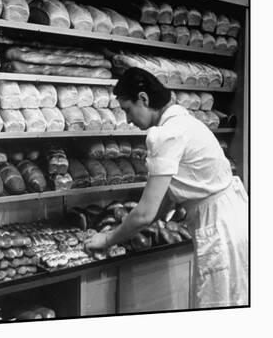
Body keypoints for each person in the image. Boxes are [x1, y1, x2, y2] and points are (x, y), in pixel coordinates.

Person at [84, 67, 248, 309]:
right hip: (233, 218)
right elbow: (167, 200)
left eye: (127, 110)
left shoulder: (165, 134)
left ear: (144, 99)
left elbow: (145, 213)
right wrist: (135, 226)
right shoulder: (183, 122)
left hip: (219, 227)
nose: (128, 119)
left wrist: (107, 238)